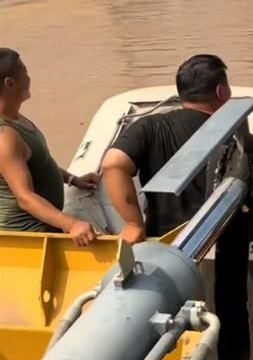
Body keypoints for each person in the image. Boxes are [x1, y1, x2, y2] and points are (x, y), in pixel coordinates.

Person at [101, 54, 231, 243]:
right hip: (216, 243)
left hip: (160, 243)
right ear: (221, 91)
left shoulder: (150, 126)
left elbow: (112, 163)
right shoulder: (235, 134)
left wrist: (133, 224)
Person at [0, 48, 97, 245]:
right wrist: (71, 224)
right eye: (25, 74)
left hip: (46, 225)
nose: (29, 78)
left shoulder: (17, 118)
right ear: (10, 83)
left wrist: (72, 179)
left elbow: (41, 163)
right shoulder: (5, 138)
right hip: (26, 236)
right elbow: (25, 197)